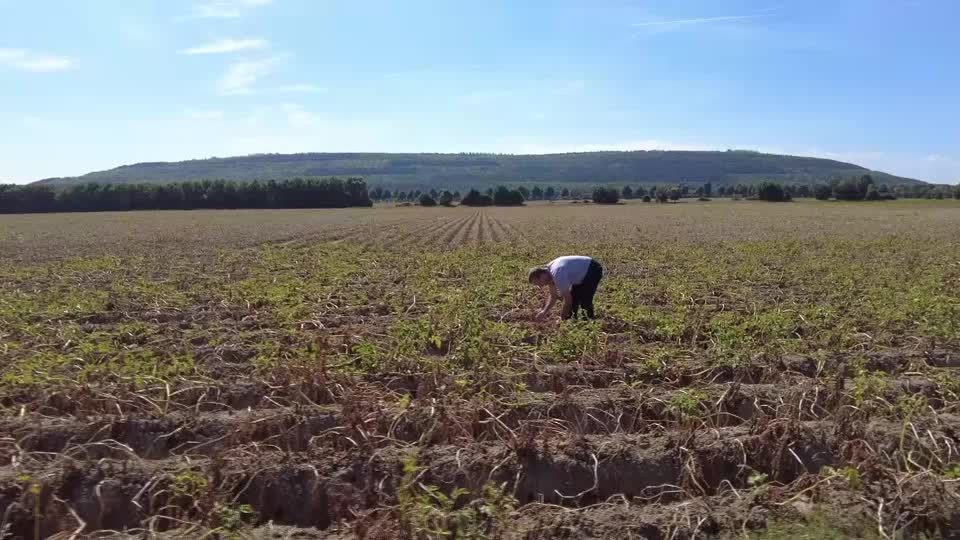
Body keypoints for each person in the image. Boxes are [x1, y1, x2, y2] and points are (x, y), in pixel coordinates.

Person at [528, 255, 603, 320]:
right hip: (581, 271)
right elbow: (553, 296)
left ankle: (589, 320)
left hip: (593, 269)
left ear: (541, 276)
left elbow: (568, 300)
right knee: (575, 298)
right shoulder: (548, 272)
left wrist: (562, 318)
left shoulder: (557, 274)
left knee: (585, 299)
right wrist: (544, 312)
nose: (540, 286)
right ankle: (572, 320)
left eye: (537, 283)